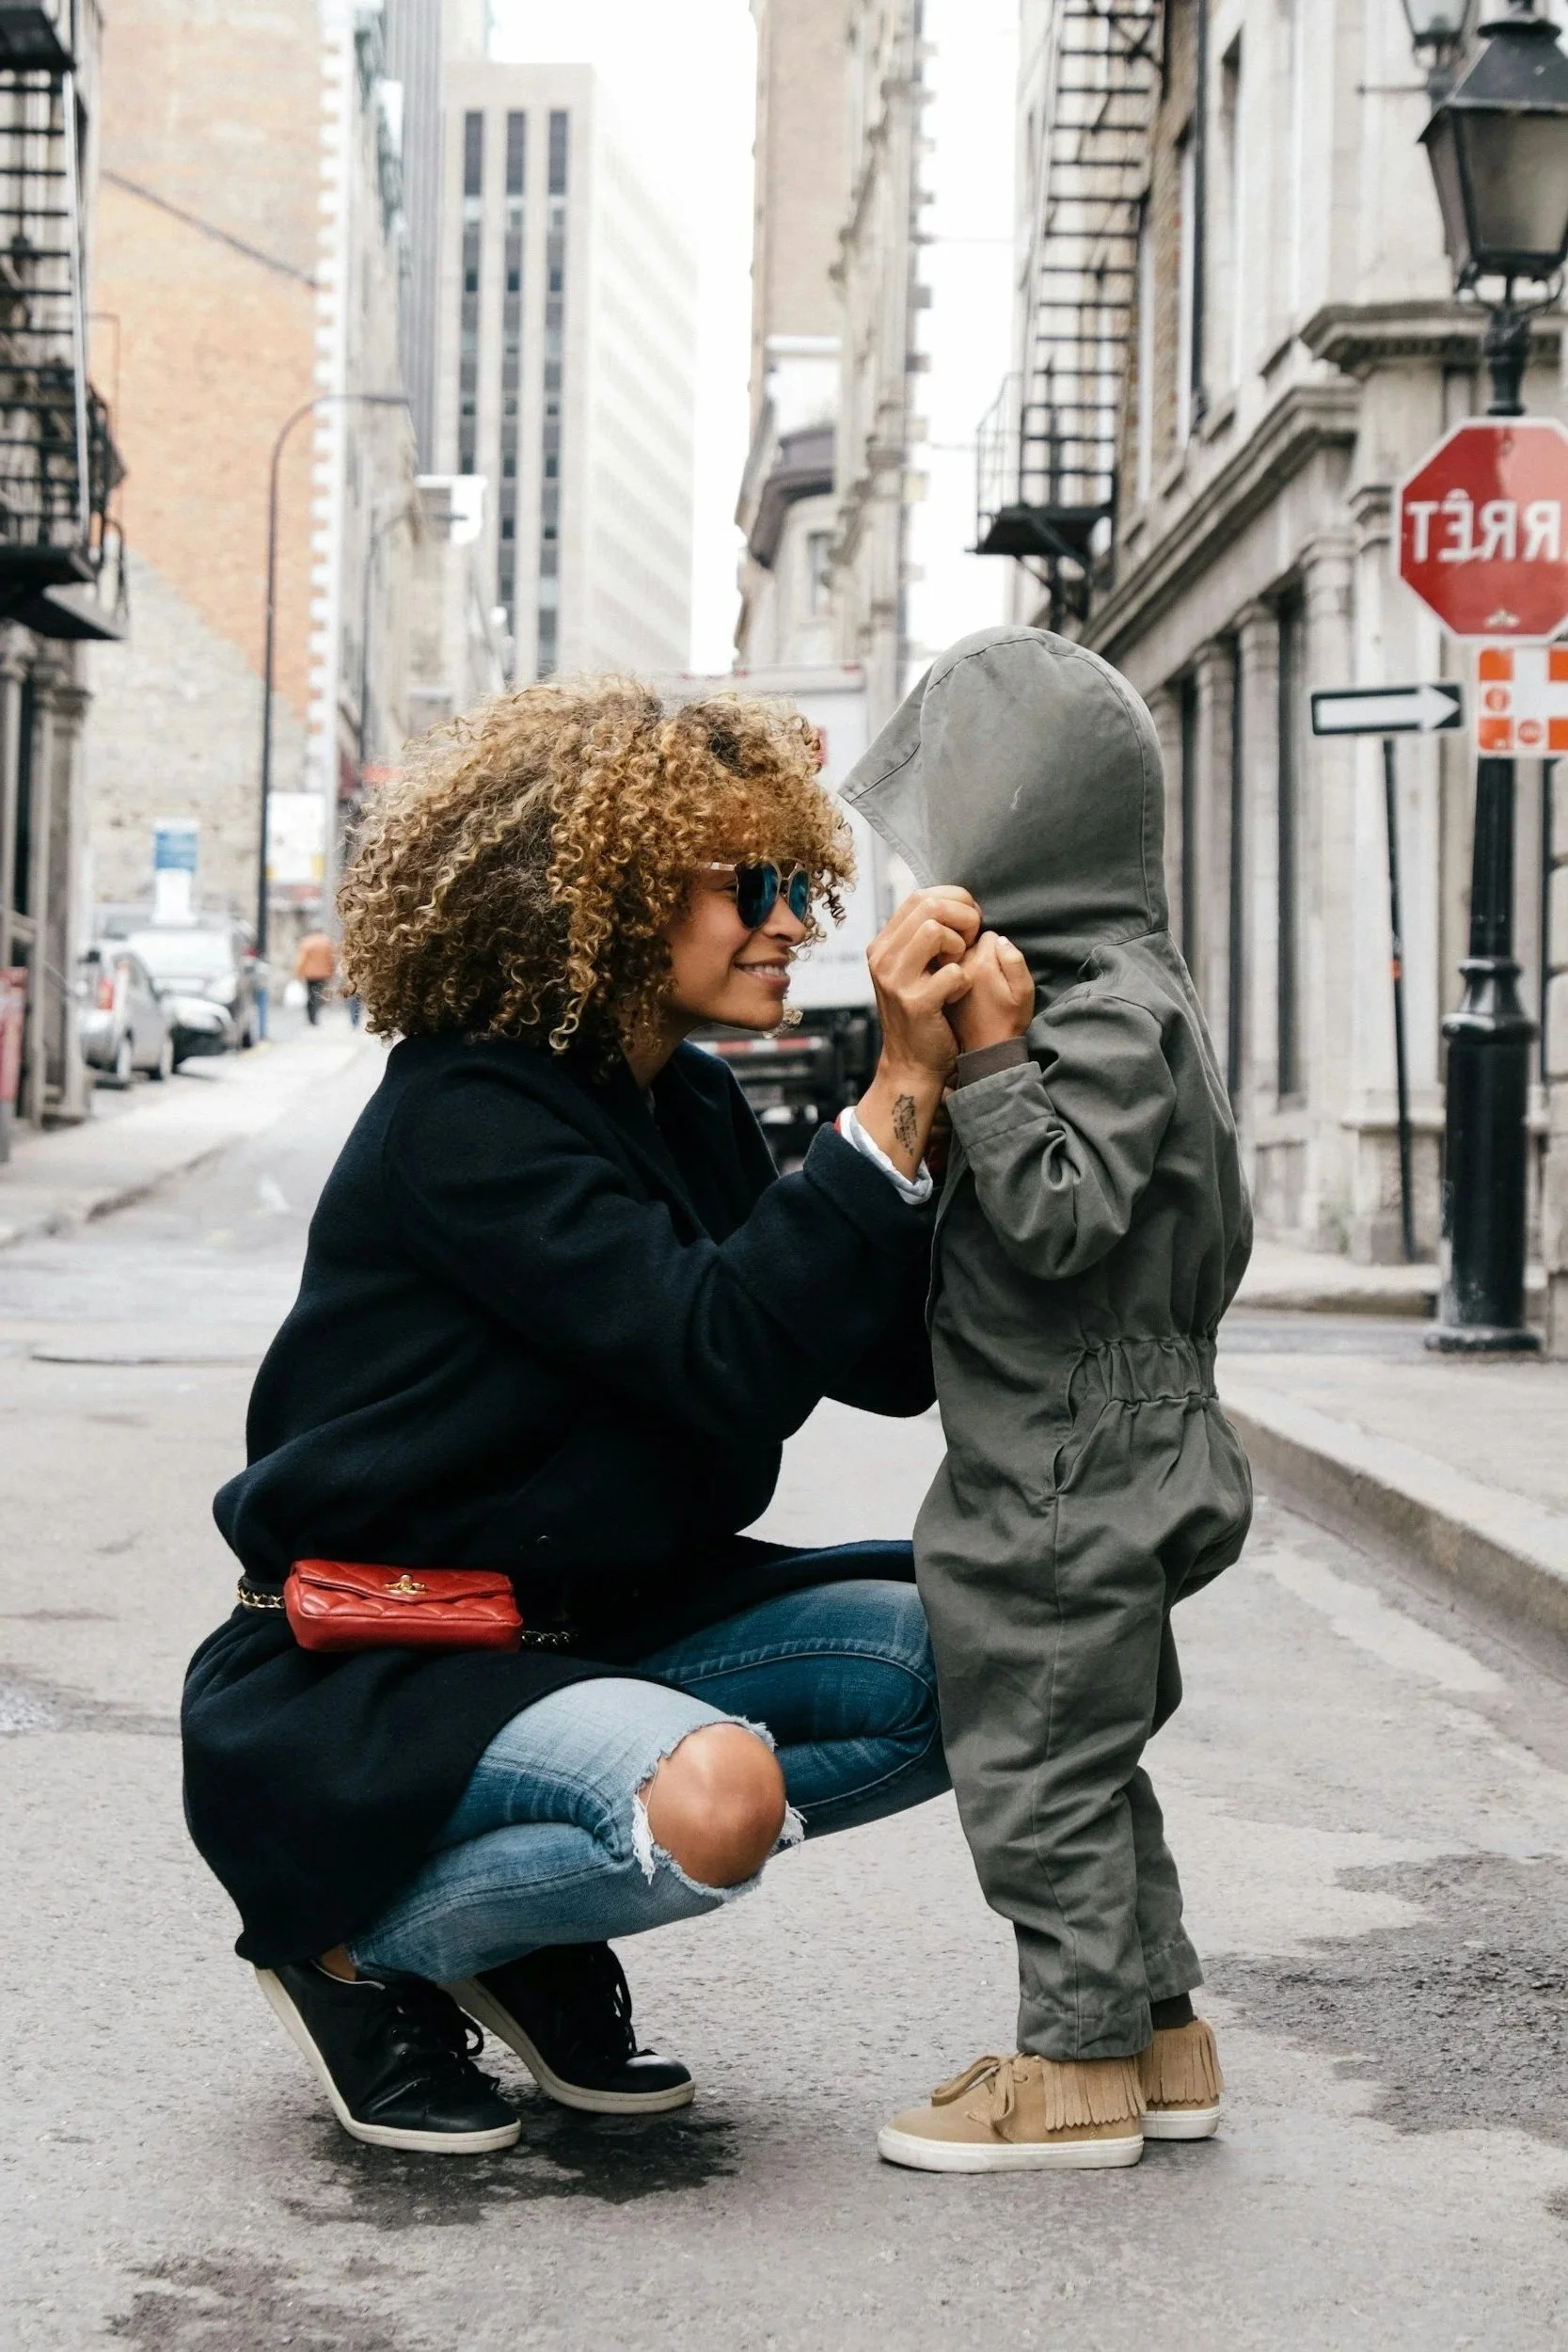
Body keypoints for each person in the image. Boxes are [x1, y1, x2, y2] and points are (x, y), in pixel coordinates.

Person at [182, 676, 977, 2156]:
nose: (795, 923)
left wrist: (954, 1094)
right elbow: (720, 1352)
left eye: (802, 883)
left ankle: (516, 1925)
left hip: (608, 1623)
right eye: (755, 886)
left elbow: (876, 1360)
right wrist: (884, 1104)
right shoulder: (466, 1117)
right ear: (607, 890)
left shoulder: (685, 1105)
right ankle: (363, 1948)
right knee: (714, 1804)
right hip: (388, 1664)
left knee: (980, 1664)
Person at [842, 626, 1253, 2174]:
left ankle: (1070, 2069)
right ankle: (1157, 2034)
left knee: (1029, 1769)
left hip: (1064, 1466)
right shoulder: (1130, 986)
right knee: (1093, 1758)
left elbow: (1064, 1213)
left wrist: (992, 1061)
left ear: (1021, 825)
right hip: (1114, 1441)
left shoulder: (1086, 1010)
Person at [294, 928, 337, 1025]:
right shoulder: (326, 942)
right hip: (323, 973)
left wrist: (298, 973)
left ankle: (311, 1017)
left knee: (310, 994)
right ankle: (314, 1016)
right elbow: (331, 959)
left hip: (309, 974)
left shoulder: (307, 942)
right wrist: (331, 972)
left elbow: (302, 959)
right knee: (317, 995)